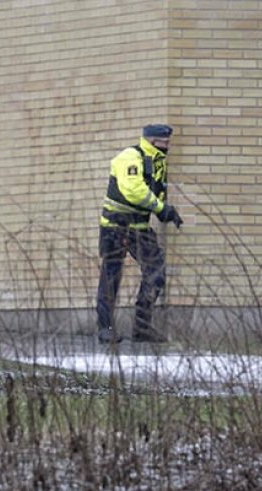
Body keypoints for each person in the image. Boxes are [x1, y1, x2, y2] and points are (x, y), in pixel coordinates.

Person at [95, 124, 184, 344]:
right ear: (153, 141)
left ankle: (142, 328)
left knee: (156, 271)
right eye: (165, 143)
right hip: (115, 226)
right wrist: (161, 209)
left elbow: (155, 190)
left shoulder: (158, 162)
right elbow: (133, 190)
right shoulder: (130, 156)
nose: (168, 146)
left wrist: (165, 210)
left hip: (140, 227)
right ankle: (105, 328)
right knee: (111, 276)